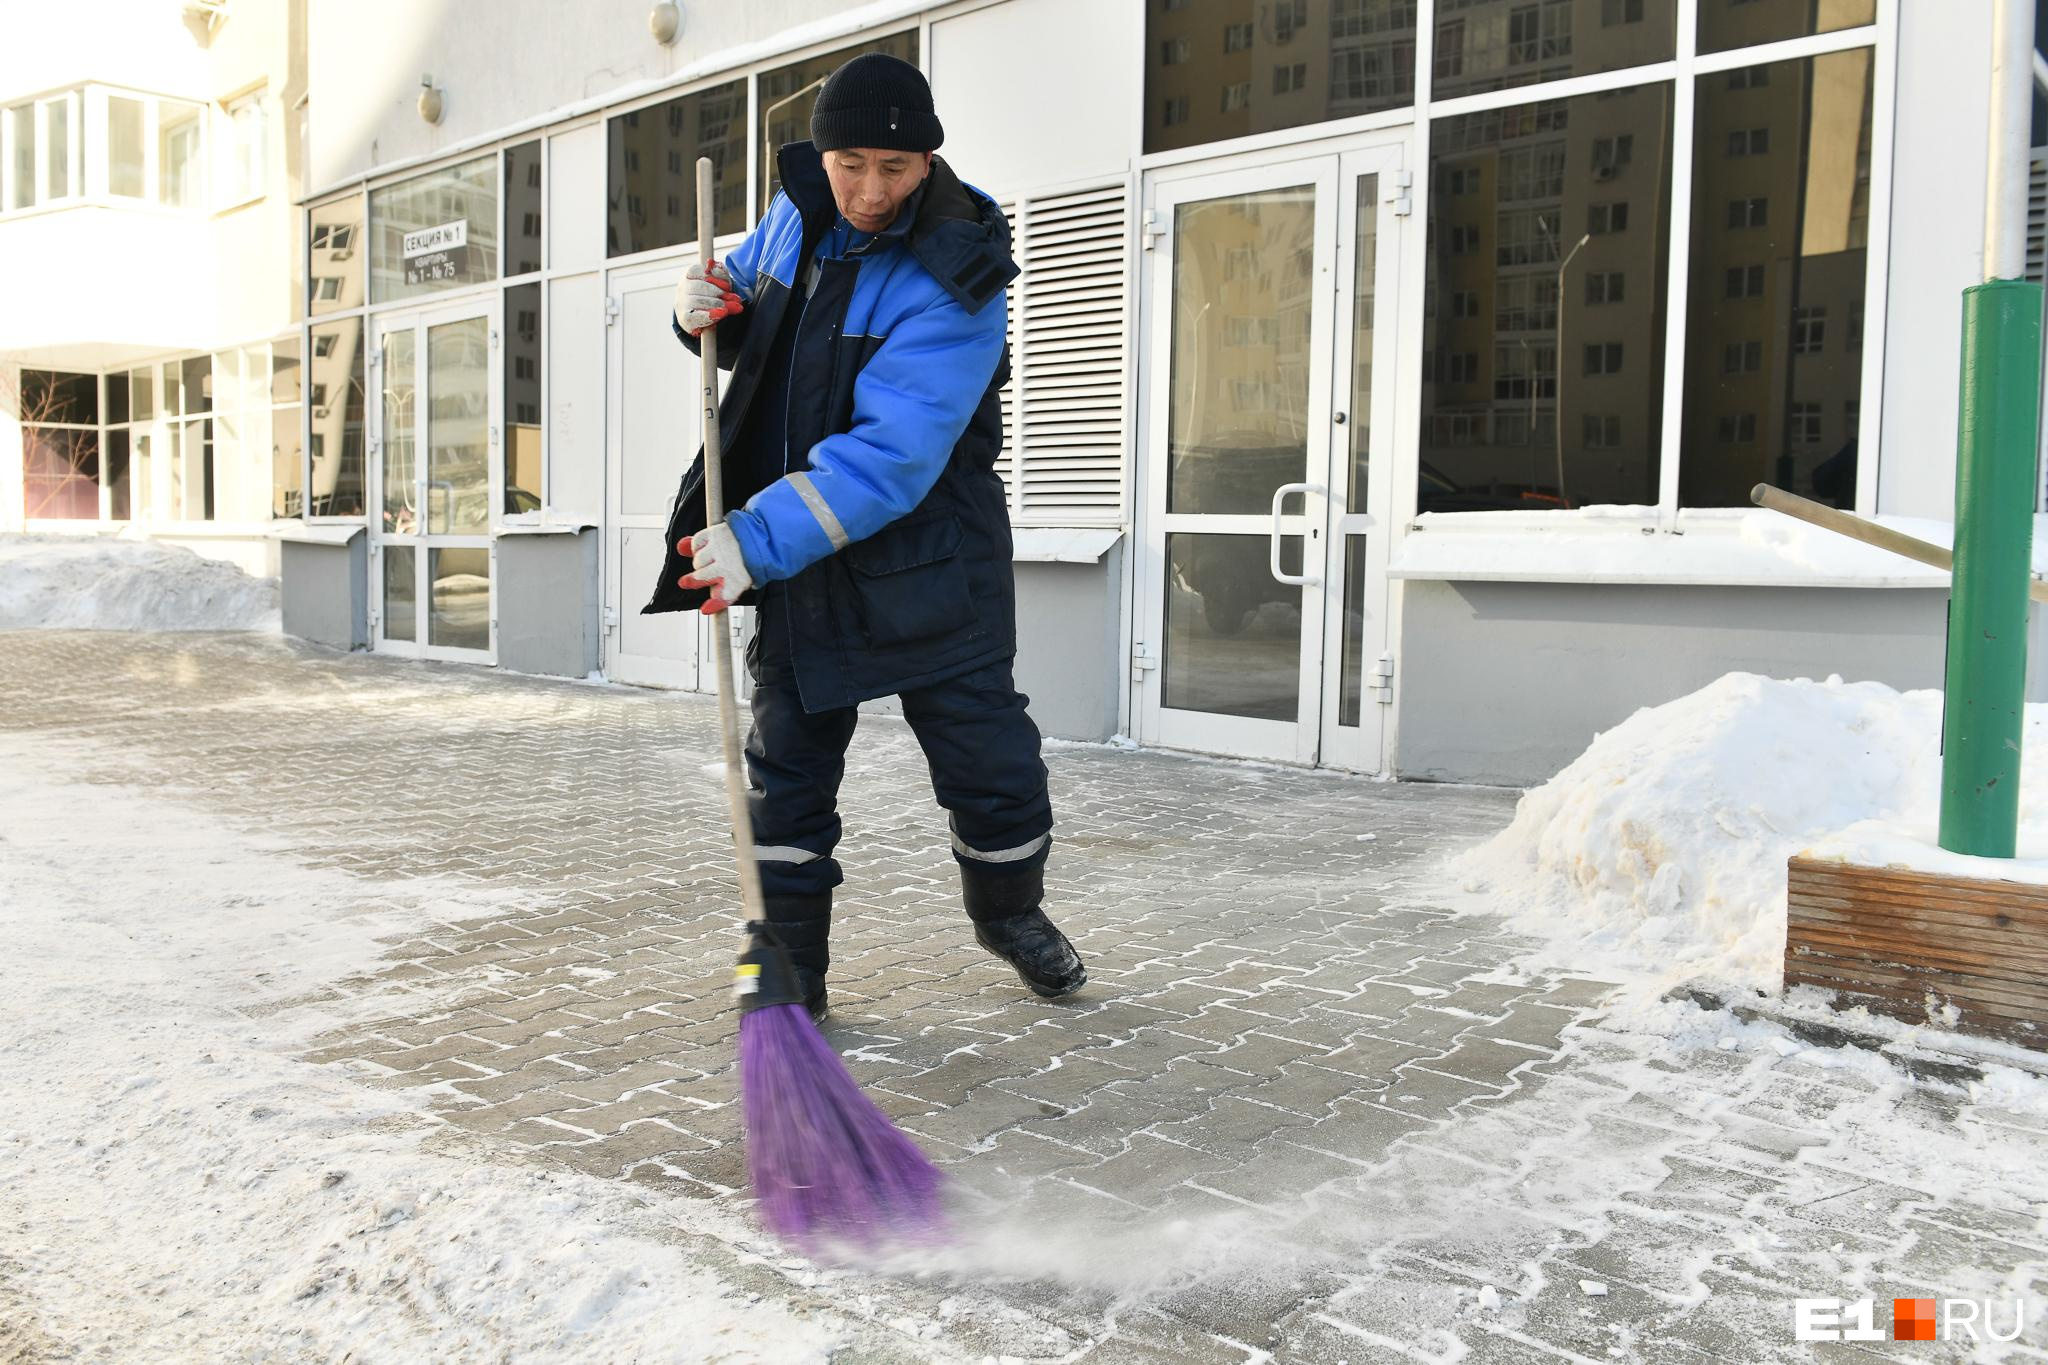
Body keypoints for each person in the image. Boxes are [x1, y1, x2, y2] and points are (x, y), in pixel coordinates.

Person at [642, 52, 1086, 1023]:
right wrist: (700, 314)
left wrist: (753, 539)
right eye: (850, 163)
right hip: (811, 557)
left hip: (932, 560)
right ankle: (790, 988)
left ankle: (1008, 912)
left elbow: (891, 457)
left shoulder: (960, 272)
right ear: (823, 153)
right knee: (787, 778)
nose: (869, 191)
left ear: (928, 162)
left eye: (894, 167)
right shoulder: (796, 213)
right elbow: (742, 311)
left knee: (991, 770)